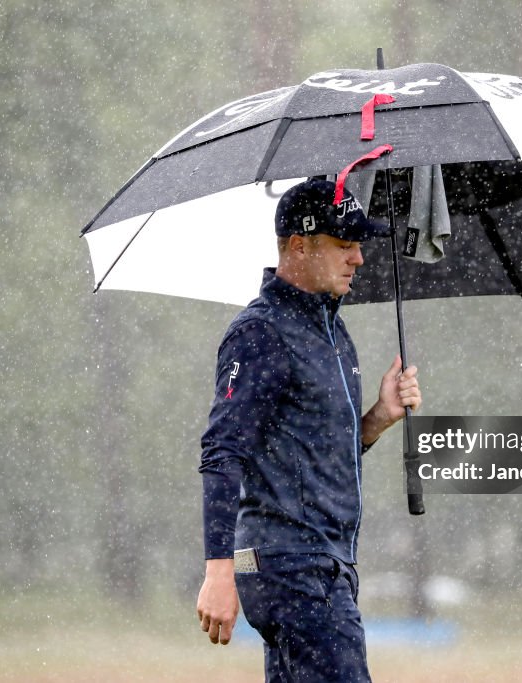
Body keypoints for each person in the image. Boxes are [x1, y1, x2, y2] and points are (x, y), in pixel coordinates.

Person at [196, 178, 422, 682]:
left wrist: (378, 419)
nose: (359, 258)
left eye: (359, 244)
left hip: (326, 564)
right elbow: (222, 452)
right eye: (345, 245)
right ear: (300, 246)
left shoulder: (333, 330)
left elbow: (313, 455)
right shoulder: (260, 331)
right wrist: (218, 571)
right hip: (293, 566)